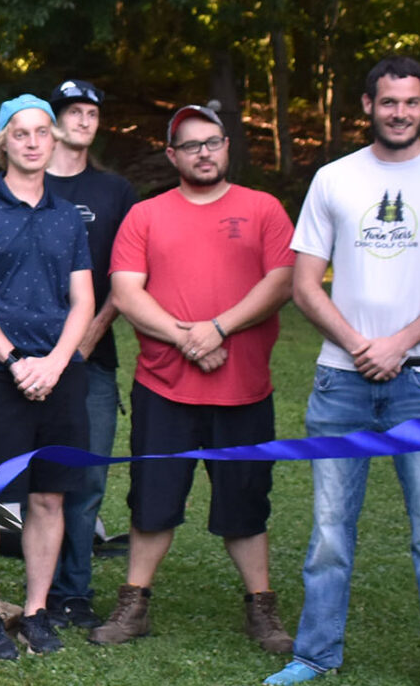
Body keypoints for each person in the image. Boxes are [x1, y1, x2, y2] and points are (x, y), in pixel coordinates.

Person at [266, 57, 420, 686]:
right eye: (388, 102)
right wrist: (358, 344)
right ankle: (314, 656)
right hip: (340, 383)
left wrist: (397, 345)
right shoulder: (335, 179)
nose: (400, 112)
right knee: (330, 533)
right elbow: (304, 283)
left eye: (412, 102)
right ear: (367, 105)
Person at [91, 103, 297, 652]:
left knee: (247, 504)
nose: (203, 152)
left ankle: (262, 608)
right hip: (164, 388)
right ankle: (135, 603)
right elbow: (128, 292)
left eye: (212, 142)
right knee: (152, 501)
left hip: (244, 390)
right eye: (190, 145)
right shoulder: (147, 215)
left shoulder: (264, 210)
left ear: (227, 146)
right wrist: (189, 338)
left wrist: (219, 328)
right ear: (171, 155)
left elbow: (282, 281)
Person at [0, 93, 97, 660]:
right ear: (2, 143)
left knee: (51, 499)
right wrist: (15, 362)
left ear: (54, 140)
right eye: (20, 133)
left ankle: (36, 612)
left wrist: (55, 363)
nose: (33, 142)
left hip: (61, 376)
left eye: (41, 132)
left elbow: (84, 299)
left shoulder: (68, 217)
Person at [38, 78, 138, 631]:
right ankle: (41, 586)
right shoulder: (26, 184)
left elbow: (127, 276)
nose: (82, 120)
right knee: (35, 474)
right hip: (26, 360)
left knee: (87, 477)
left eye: (91, 113)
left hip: (92, 359)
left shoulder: (115, 192)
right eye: (72, 111)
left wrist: (88, 337)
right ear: (51, 121)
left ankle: (74, 591)